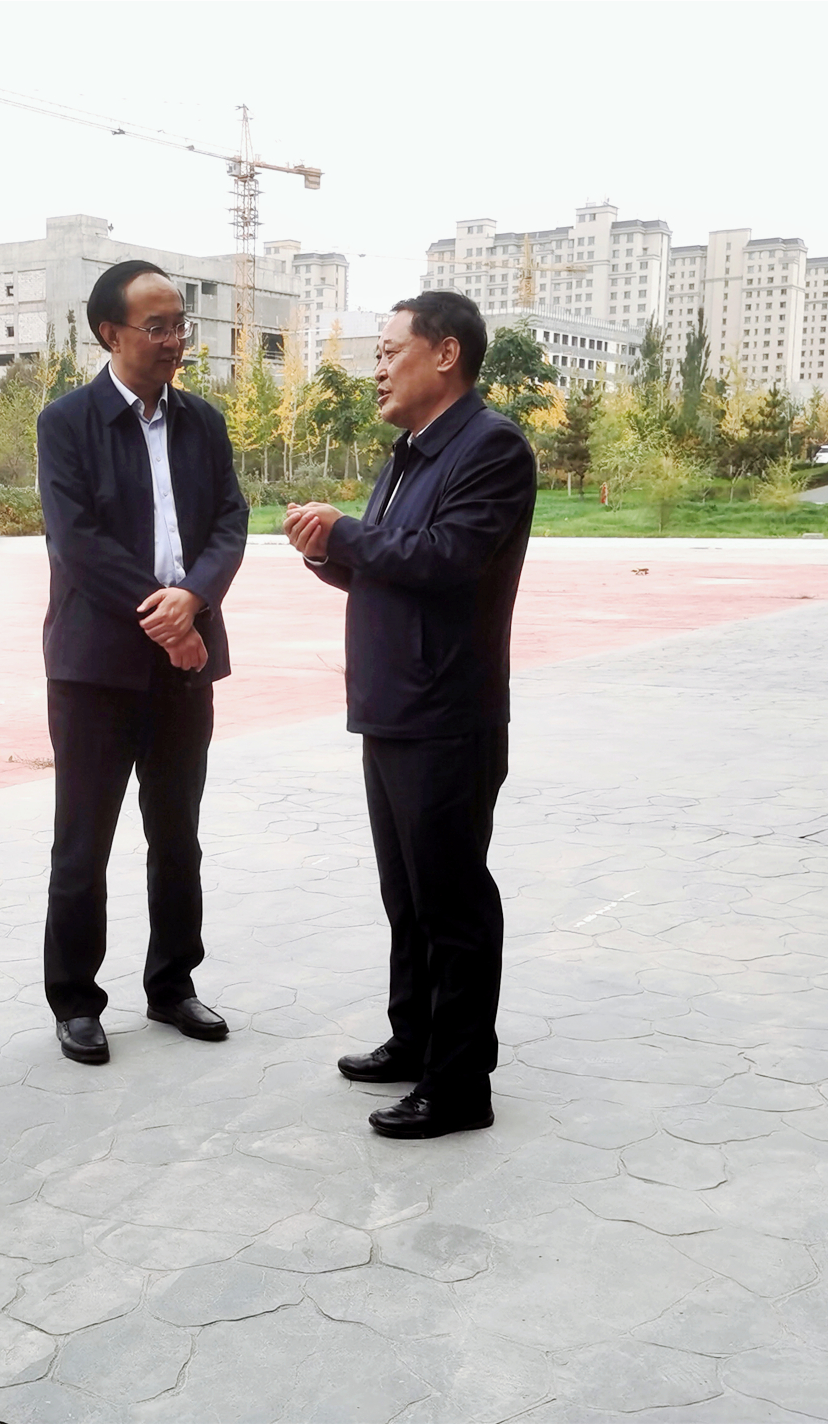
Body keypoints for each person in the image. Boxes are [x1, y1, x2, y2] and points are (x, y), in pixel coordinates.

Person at [282, 291, 536, 1140]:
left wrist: (347, 533)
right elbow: (393, 567)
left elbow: (449, 559)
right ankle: (416, 1038)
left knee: (452, 901)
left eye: (391, 351)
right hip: (393, 706)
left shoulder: (490, 447)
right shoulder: (412, 451)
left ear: (446, 354)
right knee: (408, 895)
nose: (379, 370)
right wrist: (329, 551)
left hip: (447, 712)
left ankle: (460, 1085)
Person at [35, 260, 249, 1066]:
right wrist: (167, 620)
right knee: (82, 842)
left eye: (179, 325)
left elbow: (230, 521)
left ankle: (172, 984)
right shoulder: (67, 423)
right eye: (156, 327)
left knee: (178, 835)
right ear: (111, 333)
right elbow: (78, 541)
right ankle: (75, 1000)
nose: (173, 340)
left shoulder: (203, 423)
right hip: (95, 670)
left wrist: (193, 597)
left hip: (184, 660)